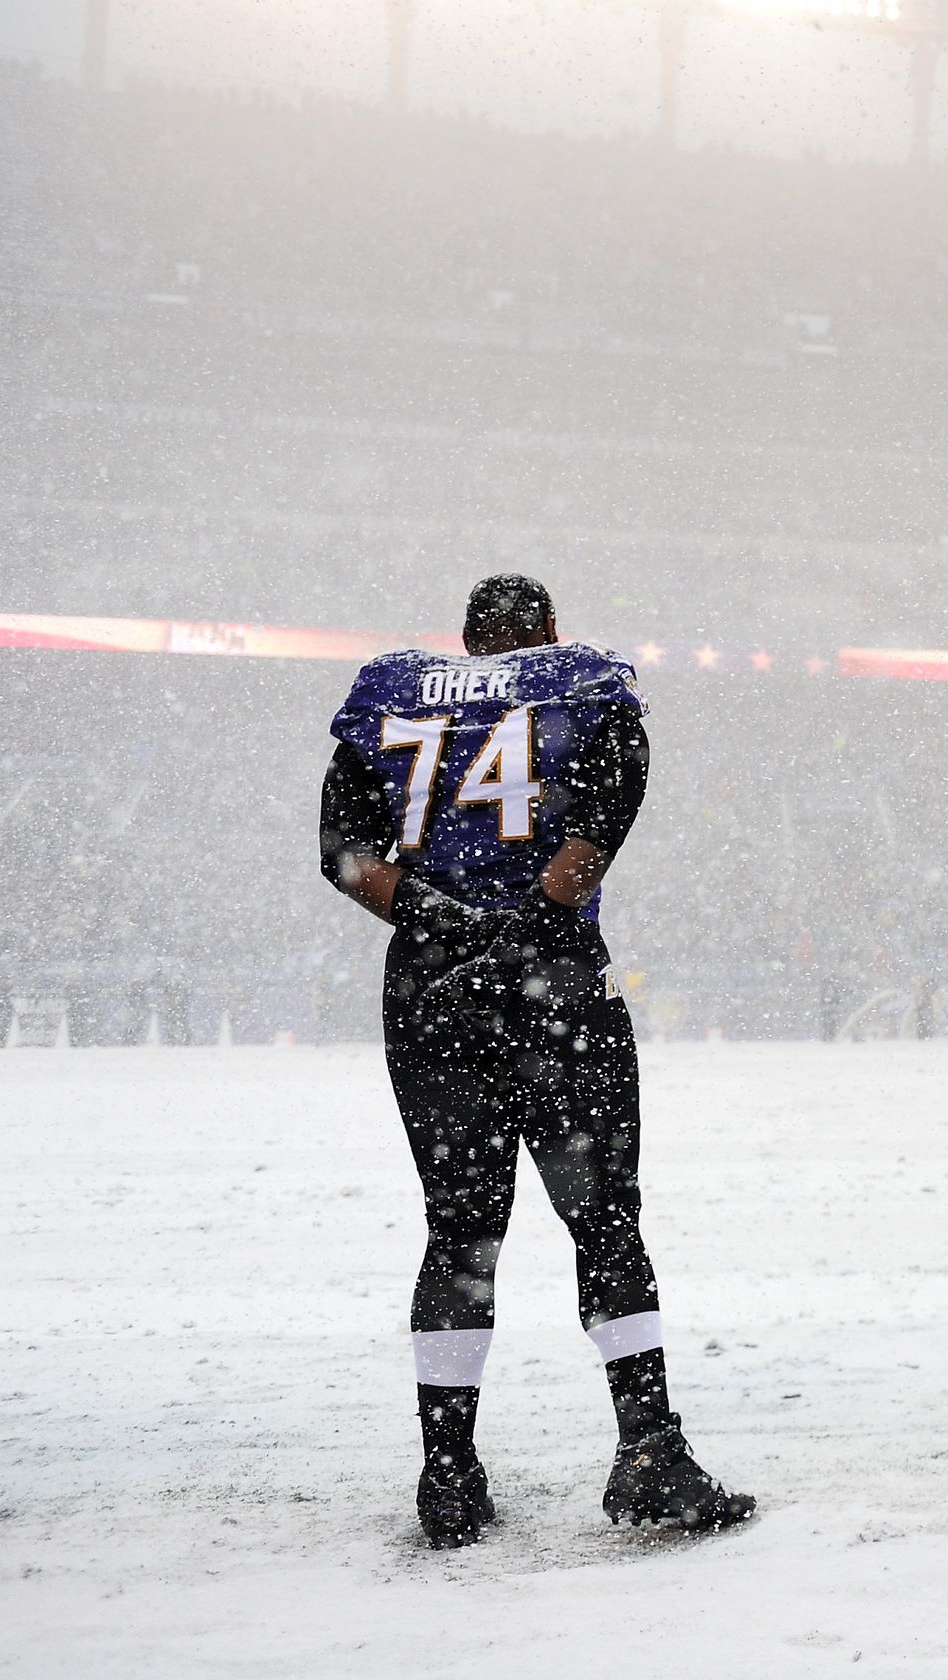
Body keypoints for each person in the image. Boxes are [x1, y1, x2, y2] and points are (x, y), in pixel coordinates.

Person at [319, 574, 753, 1549]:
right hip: (552, 990)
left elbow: (344, 854)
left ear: (468, 642)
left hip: (429, 997)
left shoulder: (395, 697)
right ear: (546, 632)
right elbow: (604, 817)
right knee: (602, 1219)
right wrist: (534, 924)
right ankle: (646, 1448)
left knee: (460, 1234)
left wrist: (444, 923)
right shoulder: (584, 688)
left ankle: (447, 1473)